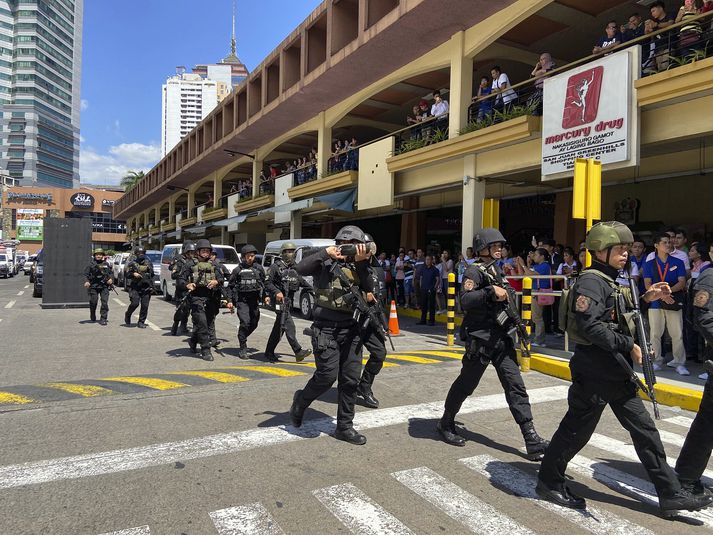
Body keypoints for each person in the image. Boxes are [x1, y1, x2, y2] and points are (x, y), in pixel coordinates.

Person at [536, 221, 713, 516]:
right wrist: (627, 345)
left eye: (626, 250)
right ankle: (549, 480)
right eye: (618, 249)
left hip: (614, 370)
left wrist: (647, 298)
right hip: (594, 368)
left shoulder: (611, 280)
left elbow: (618, 316)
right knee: (576, 430)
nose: (625, 255)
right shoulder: (592, 281)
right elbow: (589, 325)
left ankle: (670, 494)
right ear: (600, 251)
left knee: (645, 431)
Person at [437, 228, 549, 460]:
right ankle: (446, 422)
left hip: (501, 338)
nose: (499, 249)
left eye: (501, 246)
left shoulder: (496, 270)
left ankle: (531, 437)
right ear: (483, 249)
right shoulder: (473, 272)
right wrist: (489, 291)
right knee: (466, 384)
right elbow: (465, 300)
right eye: (494, 246)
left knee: (515, 385)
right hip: (481, 339)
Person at [289, 225, 373, 445]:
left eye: (353, 245)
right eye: (344, 244)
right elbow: (300, 268)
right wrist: (324, 253)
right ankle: (301, 401)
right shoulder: (325, 262)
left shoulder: (360, 264)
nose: (348, 249)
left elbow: (370, 288)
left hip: (352, 330)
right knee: (326, 377)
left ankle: (344, 427)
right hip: (326, 329)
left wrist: (362, 263)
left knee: (351, 380)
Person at [675, 268, 713, 496]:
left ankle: (687, 476)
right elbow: (704, 318)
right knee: (707, 423)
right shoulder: (710, 278)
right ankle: (687, 478)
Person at [643, 233, 688, 375]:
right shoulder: (649, 264)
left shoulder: (678, 262)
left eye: (669, 242)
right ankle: (656, 360)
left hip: (673, 301)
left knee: (677, 333)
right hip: (655, 303)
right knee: (655, 333)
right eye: (664, 242)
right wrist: (662, 295)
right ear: (656, 246)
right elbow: (647, 285)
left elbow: (682, 282)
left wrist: (666, 294)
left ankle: (679, 362)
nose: (668, 244)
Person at [177, 239, 226, 361]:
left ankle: (193, 341)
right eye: (203, 251)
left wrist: (216, 282)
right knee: (202, 323)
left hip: (211, 298)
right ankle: (205, 350)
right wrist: (187, 285)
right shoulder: (190, 264)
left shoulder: (215, 265)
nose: (205, 253)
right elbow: (180, 279)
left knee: (205, 324)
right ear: (198, 252)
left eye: (207, 251)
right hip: (196, 297)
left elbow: (221, 279)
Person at [264, 242, 312, 363]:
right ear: (283, 253)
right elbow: (267, 282)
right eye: (288, 251)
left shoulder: (295, 267)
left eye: (292, 251)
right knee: (289, 325)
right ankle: (298, 351)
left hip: (288, 301)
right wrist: (277, 292)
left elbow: (301, 282)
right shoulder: (275, 267)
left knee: (279, 328)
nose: (290, 254)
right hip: (279, 301)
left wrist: (315, 291)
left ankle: (269, 352)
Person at [356, 234, 388, 409]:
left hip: (371, 320)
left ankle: (364, 386)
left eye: (369, 247)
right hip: (352, 321)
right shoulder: (349, 267)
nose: (367, 250)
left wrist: (384, 323)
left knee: (379, 353)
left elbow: (380, 298)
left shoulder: (377, 270)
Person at [228, 244, 268, 359]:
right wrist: (229, 300)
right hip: (242, 301)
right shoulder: (237, 270)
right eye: (248, 256)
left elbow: (264, 284)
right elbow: (230, 286)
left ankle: (242, 335)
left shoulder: (258, 268)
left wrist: (266, 296)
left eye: (252, 256)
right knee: (245, 322)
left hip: (254, 301)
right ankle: (243, 346)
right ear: (243, 257)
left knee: (254, 323)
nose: (250, 258)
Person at [124, 246, 154, 328]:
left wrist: (151, 285)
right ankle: (128, 314)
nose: (141, 255)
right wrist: (133, 274)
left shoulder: (148, 263)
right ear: (136, 254)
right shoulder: (132, 263)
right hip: (135, 287)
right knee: (135, 303)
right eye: (139, 253)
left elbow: (152, 274)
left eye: (142, 253)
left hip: (146, 287)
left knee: (145, 306)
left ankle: (141, 321)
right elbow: (127, 274)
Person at [170, 241, 195, 336]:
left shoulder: (195, 262)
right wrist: (181, 274)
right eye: (190, 252)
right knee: (181, 309)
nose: (192, 254)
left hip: (192, 288)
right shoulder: (180, 262)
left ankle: (184, 326)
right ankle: (176, 323)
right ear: (186, 252)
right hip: (181, 289)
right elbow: (173, 274)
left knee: (189, 310)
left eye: (193, 252)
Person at [83, 248, 113, 326]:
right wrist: (87, 281)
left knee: (104, 302)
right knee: (94, 302)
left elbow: (110, 273)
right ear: (94, 255)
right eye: (97, 254)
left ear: (102, 255)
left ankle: (103, 318)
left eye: (100, 254)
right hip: (93, 286)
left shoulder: (106, 264)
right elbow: (85, 274)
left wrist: (110, 279)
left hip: (104, 286)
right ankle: (92, 313)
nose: (98, 256)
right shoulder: (90, 264)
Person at [417, 255, 439, 325]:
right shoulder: (423, 268)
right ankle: (423, 320)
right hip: (424, 289)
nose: (427, 261)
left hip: (431, 289)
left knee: (431, 306)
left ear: (432, 260)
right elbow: (421, 277)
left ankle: (431, 321)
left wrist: (434, 288)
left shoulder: (435, 269)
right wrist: (421, 286)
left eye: (429, 259)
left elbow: (438, 280)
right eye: (426, 259)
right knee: (423, 305)